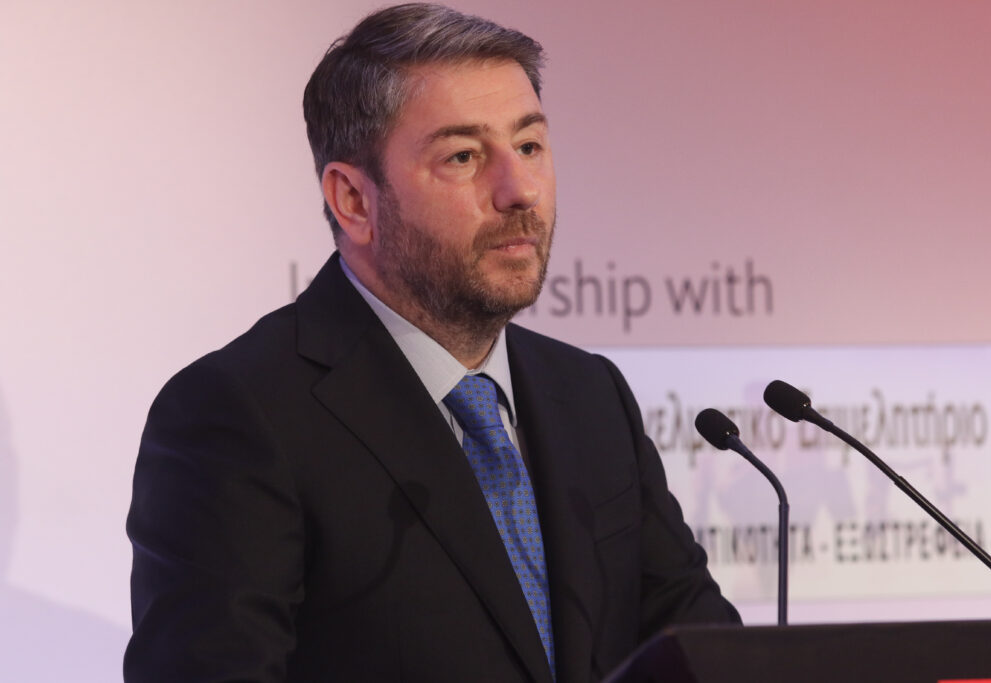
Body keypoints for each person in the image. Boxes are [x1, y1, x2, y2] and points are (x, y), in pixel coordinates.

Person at [125, 4, 740, 682]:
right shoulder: (240, 415)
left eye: (529, 146)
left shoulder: (590, 395)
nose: (520, 190)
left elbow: (702, 648)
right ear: (353, 200)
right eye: (464, 156)